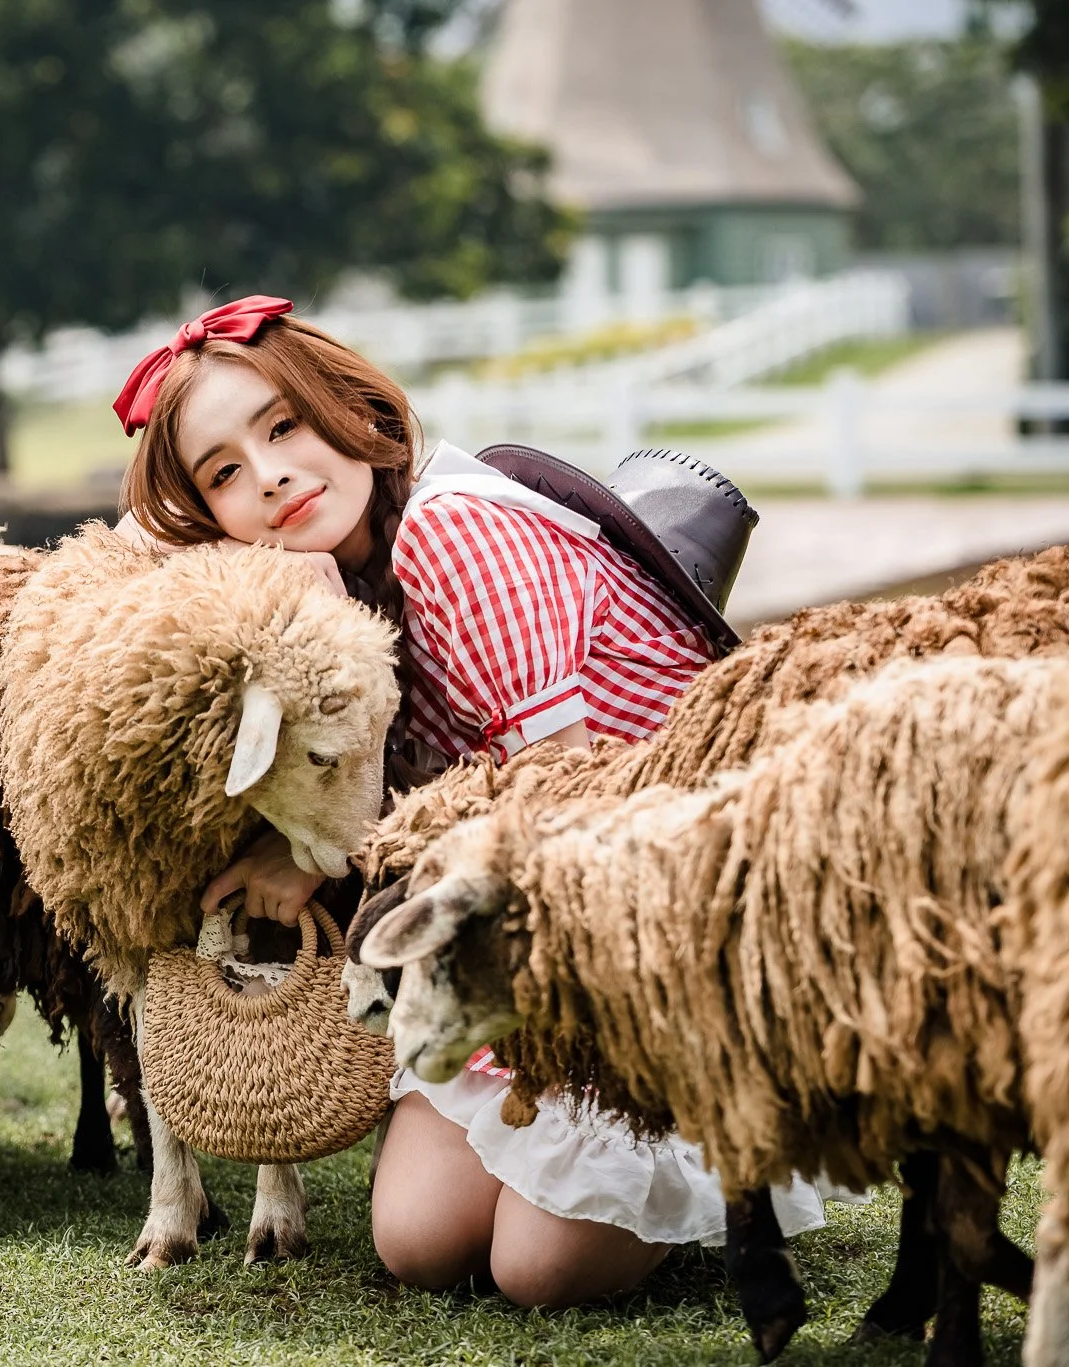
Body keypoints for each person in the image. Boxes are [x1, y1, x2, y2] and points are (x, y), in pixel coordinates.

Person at [112, 296, 825, 1309]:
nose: (267, 474)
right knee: (416, 1243)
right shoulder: (343, 594)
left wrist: (345, 857)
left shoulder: (453, 535)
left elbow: (561, 806)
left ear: (356, 410)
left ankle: (723, 1149)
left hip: (645, 931)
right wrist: (309, 848)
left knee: (537, 1271)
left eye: (284, 425)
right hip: (516, 941)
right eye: (223, 473)